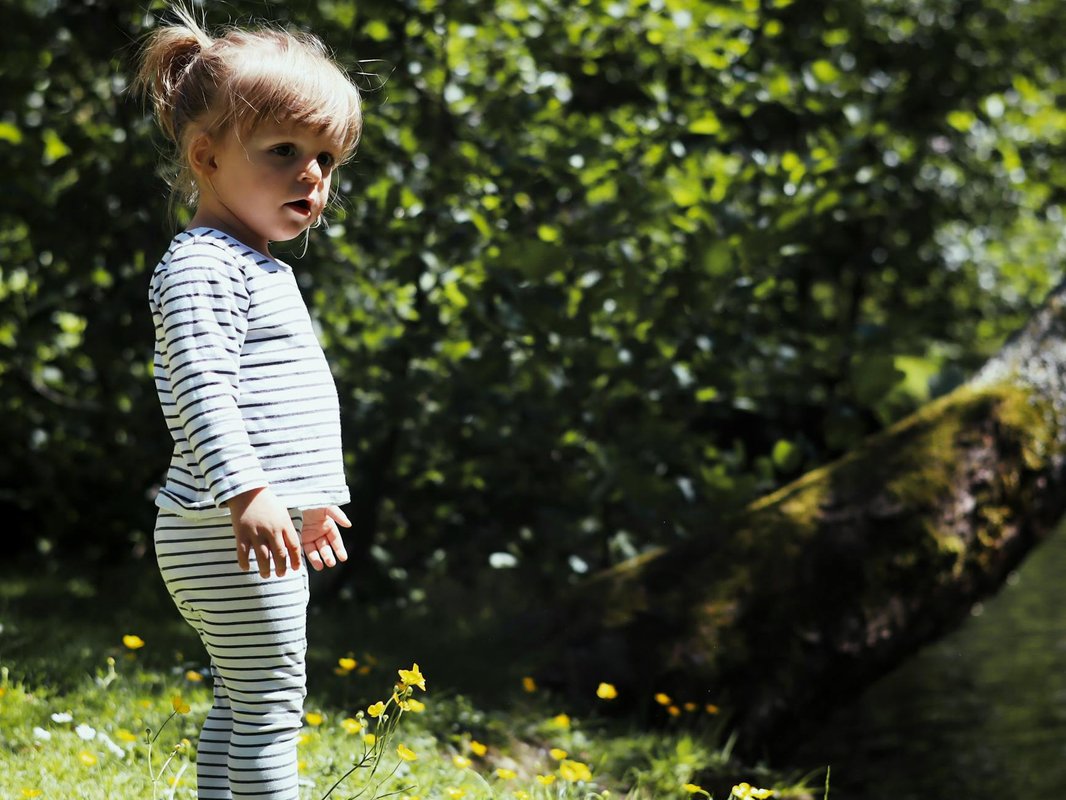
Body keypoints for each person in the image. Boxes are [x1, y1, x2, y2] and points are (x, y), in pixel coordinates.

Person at [135, 6, 361, 798]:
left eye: (327, 159)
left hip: (240, 521)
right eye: (285, 152)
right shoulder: (203, 264)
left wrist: (310, 499)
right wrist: (252, 492)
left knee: (246, 695)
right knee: (270, 701)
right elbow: (202, 392)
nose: (313, 177)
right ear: (206, 156)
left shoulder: (247, 262)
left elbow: (279, 404)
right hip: (220, 520)